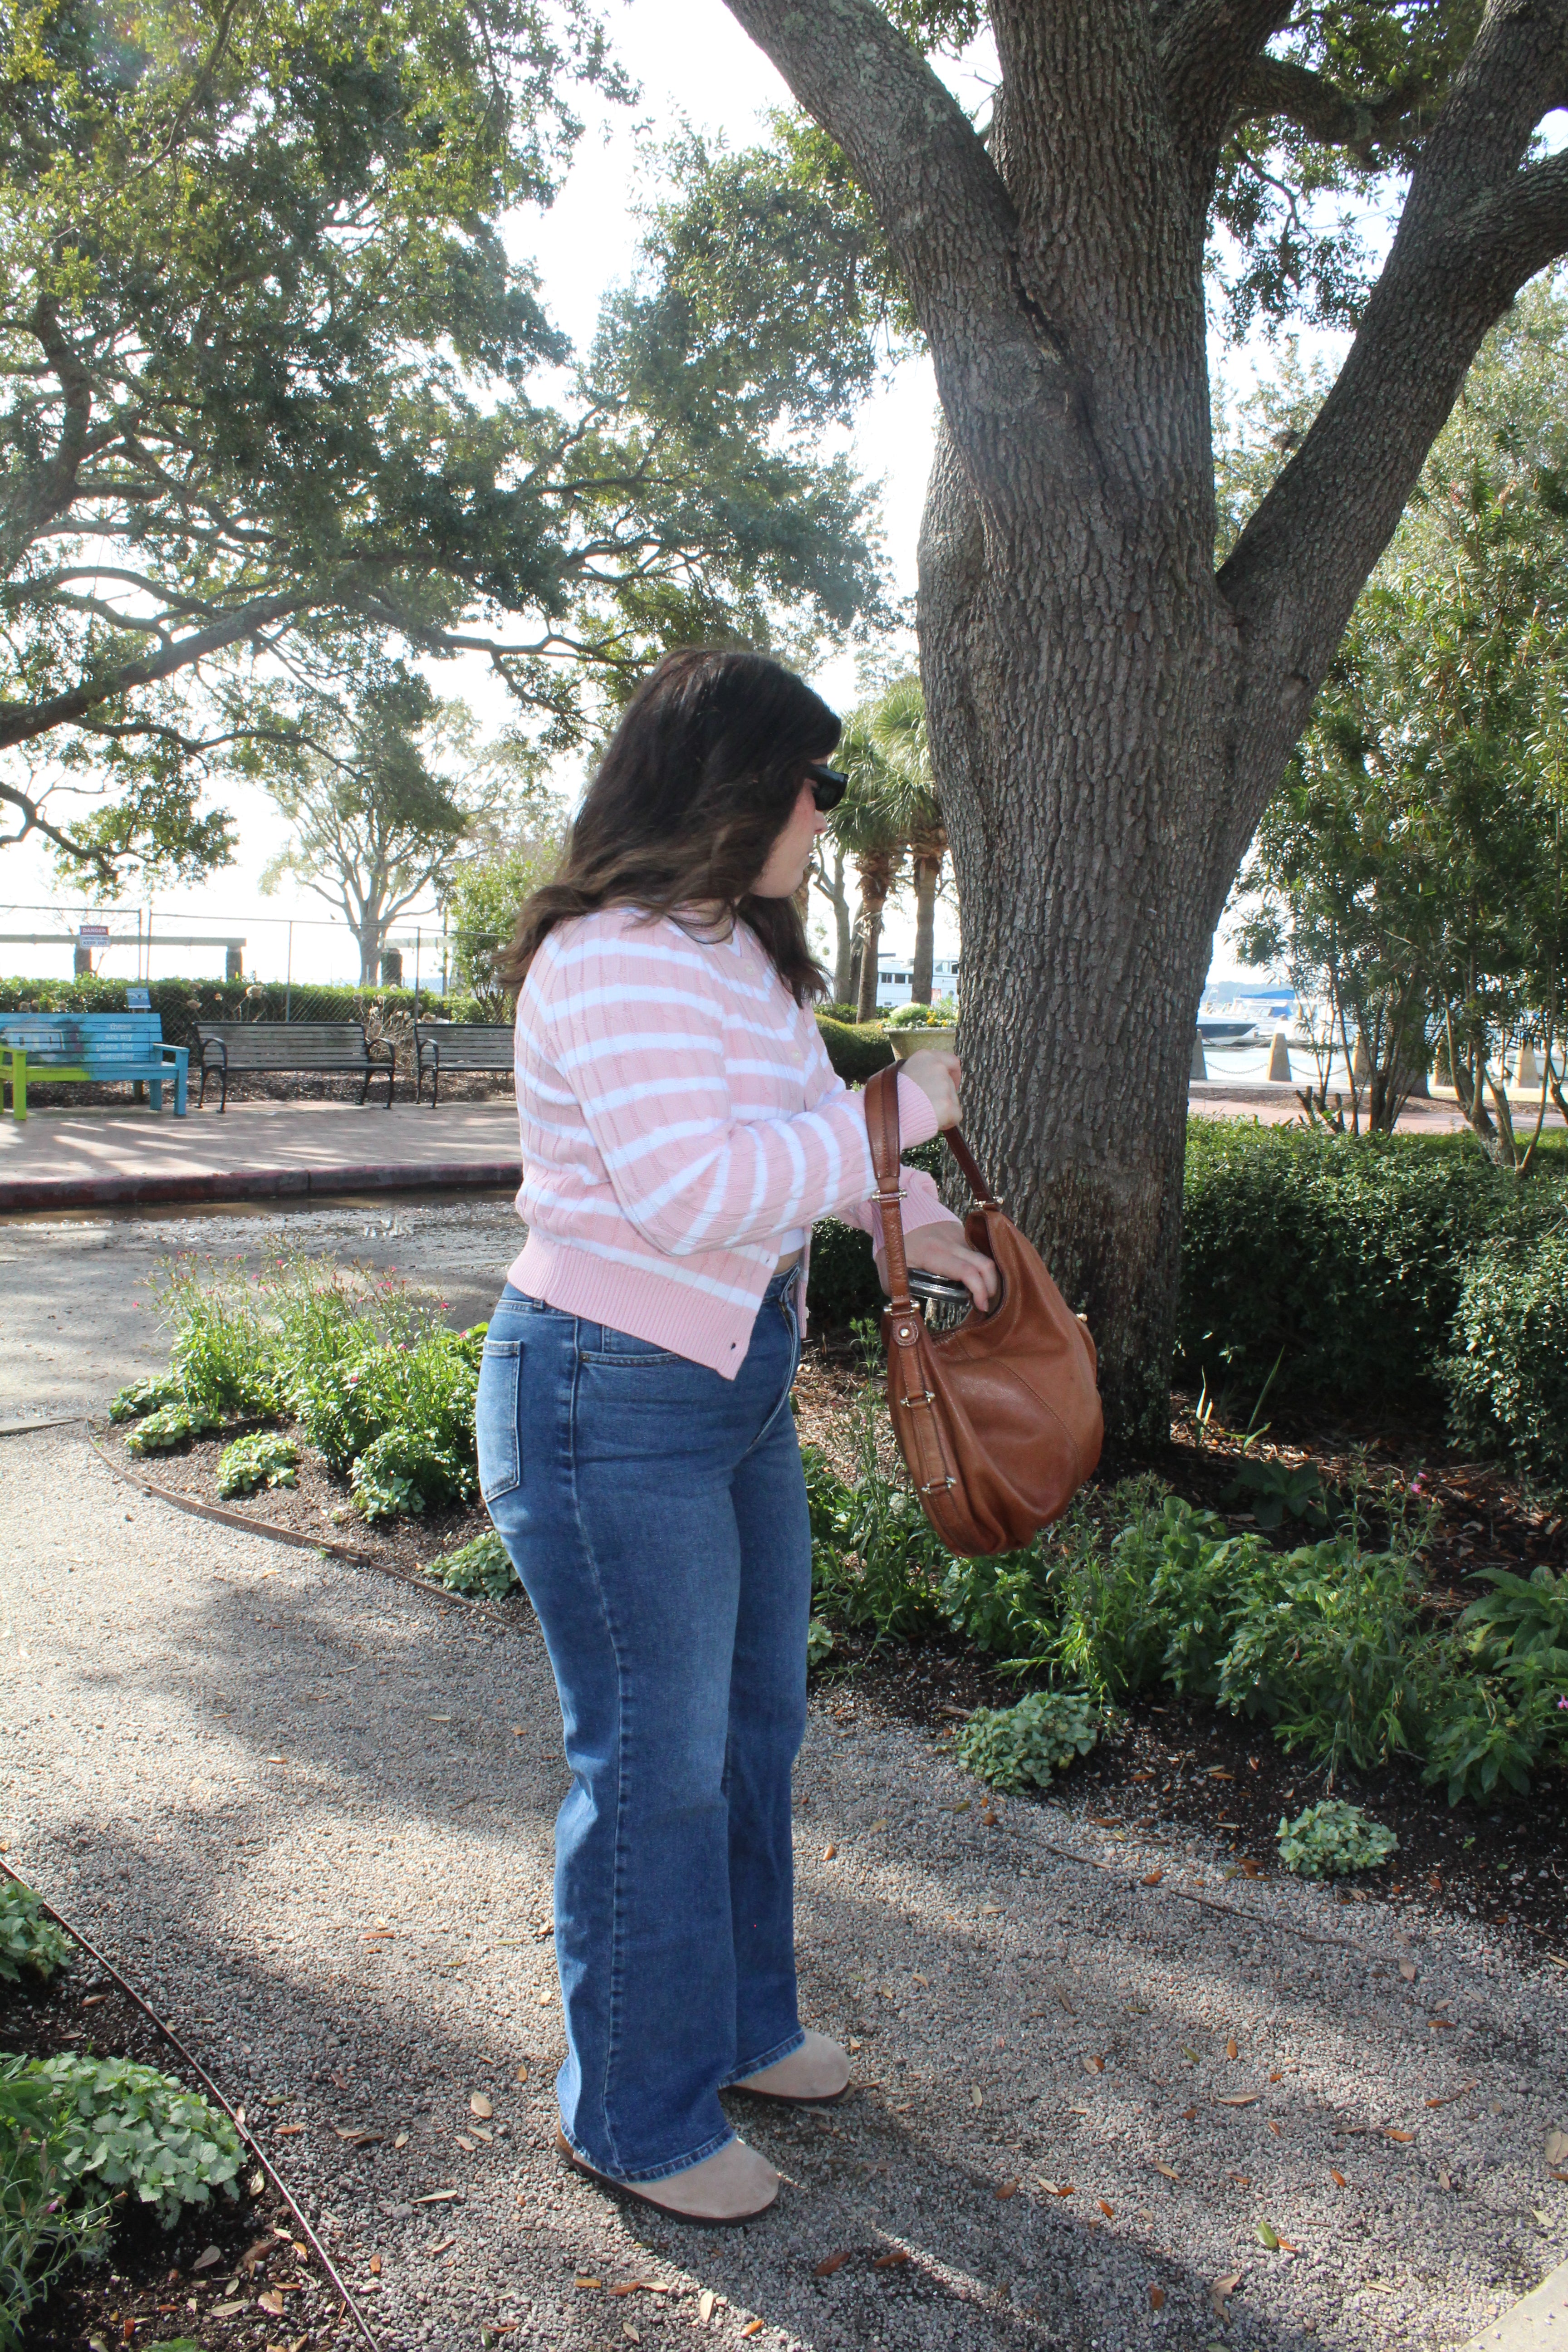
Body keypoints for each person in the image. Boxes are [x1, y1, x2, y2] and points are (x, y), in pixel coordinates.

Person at [476, 648, 997, 2225]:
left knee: (754, 1731)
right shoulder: (614, 955)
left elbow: (803, 1162)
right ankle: (632, 2112)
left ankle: (741, 2027)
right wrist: (887, 1108)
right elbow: (698, 1192)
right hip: (606, 1396)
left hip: (733, 1380)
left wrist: (920, 1214)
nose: (829, 815)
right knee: (655, 1766)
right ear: (741, 784)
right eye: (817, 784)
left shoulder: (738, 952)